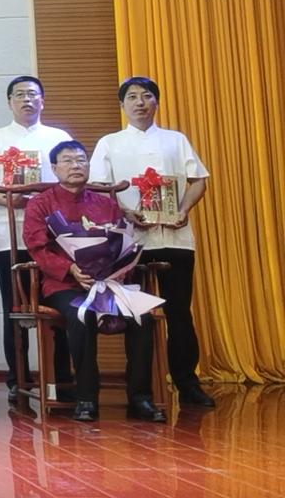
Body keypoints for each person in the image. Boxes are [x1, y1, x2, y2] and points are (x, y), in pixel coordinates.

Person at [89, 76, 213, 407]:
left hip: (175, 238)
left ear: (156, 102)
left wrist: (183, 209)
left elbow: (199, 180)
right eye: (132, 97)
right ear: (122, 105)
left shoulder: (175, 140)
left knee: (179, 312)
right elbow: (98, 190)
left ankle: (187, 383)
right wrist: (126, 212)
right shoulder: (110, 143)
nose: (140, 102)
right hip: (132, 242)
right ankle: (140, 390)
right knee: (137, 315)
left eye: (146, 96)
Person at [25, 141, 167, 423]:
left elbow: (122, 243)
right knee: (83, 314)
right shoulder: (40, 204)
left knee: (142, 317)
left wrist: (118, 269)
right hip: (64, 284)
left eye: (81, 160)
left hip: (110, 283)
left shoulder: (107, 204)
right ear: (54, 168)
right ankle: (86, 397)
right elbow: (37, 247)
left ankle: (140, 398)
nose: (76, 166)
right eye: (68, 161)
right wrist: (70, 268)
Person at [0, 76, 75, 402]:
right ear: (9, 102)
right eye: (20, 95)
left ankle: (61, 378)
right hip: (9, 236)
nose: (27, 100)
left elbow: (73, 182)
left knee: (59, 306)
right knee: (14, 307)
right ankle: (18, 378)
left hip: (55, 238)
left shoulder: (59, 138)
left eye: (32, 94)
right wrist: (7, 201)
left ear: (42, 100)